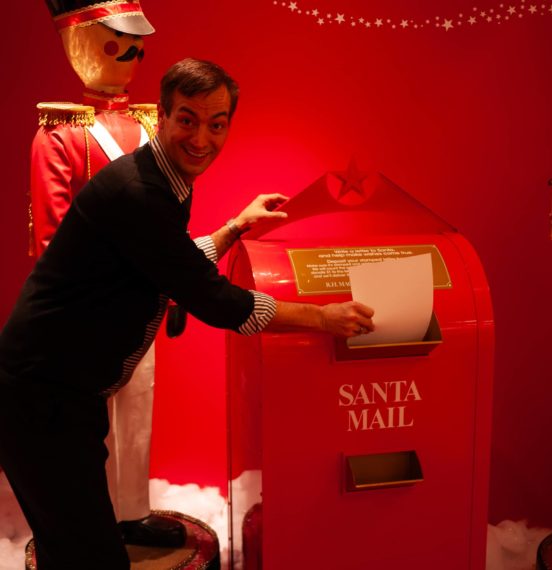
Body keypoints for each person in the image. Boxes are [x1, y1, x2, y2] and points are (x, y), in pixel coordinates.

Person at [0, 57, 374, 570]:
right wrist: (324, 319)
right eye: (187, 120)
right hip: (41, 399)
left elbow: (161, 263)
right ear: (163, 117)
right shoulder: (140, 193)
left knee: (80, 549)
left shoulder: (157, 179)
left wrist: (234, 226)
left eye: (217, 124)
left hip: (59, 395)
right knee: (89, 557)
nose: (202, 138)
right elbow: (212, 299)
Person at [30, 0, 187, 547]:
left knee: (138, 404)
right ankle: (89, 516)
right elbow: (51, 236)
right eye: (118, 42)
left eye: (137, 45)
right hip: (86, 308)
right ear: (79, 43)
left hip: (141, 299)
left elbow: (170, 214)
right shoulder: (60, 136)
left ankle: (132, 509)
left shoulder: (150, 125)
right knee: (84, 416)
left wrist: (179, 283)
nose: (132, 55)